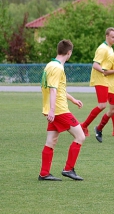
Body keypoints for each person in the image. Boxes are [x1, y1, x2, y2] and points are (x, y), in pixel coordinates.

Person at [38, 40, 85, 181]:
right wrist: (52, 110)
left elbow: (58, 89)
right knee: (80, 136)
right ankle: (68, 169)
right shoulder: (58, 68)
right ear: (69, 52)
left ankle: (44, 173)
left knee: (51, 141)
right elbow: (52, 89)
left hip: (54, 109)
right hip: (59, 110)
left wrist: (73, 99)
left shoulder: (50, 65)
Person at [81, 27, 114, 137]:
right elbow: (95, 65)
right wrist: (105, 72)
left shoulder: (109, 48)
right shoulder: (102, 49)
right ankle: (83, 126)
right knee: (102, 105)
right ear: (107, 36)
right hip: (100, 80)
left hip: (108, 80)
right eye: (112, 37)